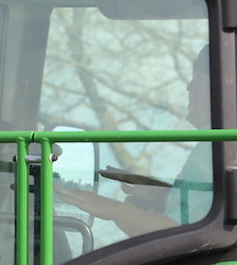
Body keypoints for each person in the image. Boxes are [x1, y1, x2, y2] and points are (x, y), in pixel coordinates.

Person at [57, 45, 213, 236]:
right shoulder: (225, 147)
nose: (189, 87)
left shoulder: (216, 147)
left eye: (202, 80)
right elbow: (206, 206)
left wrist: (113, 209)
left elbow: (175, 235)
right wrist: (163, 195)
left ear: (228, 87)